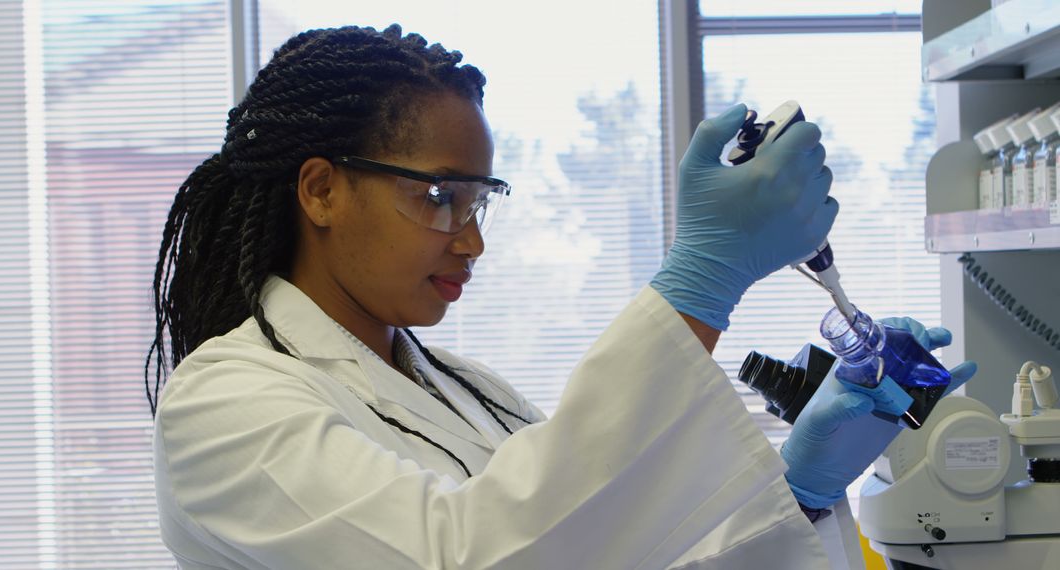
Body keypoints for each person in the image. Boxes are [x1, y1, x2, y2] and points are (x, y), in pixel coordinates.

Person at [148, 24, 975, 569]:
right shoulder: (225, 408)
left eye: (478, 203)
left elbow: (608, 552)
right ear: (321, 190)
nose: (469, 240)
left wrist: (799, 490)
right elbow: (466, 557)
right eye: (438, 197)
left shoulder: (470, 392)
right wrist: (701, 284)